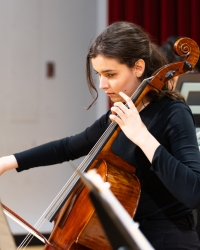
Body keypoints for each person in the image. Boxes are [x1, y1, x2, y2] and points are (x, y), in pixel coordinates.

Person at [0, 21, 200, 249]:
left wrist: (142, 136)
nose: (103, 84)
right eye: (99, 74)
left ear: (138, 67)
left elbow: (193, 192)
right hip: (122, 240)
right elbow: (67, 147)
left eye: (111, 74)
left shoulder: (173, 112)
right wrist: (7, 162)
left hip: (169, 240)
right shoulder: (117, 115)